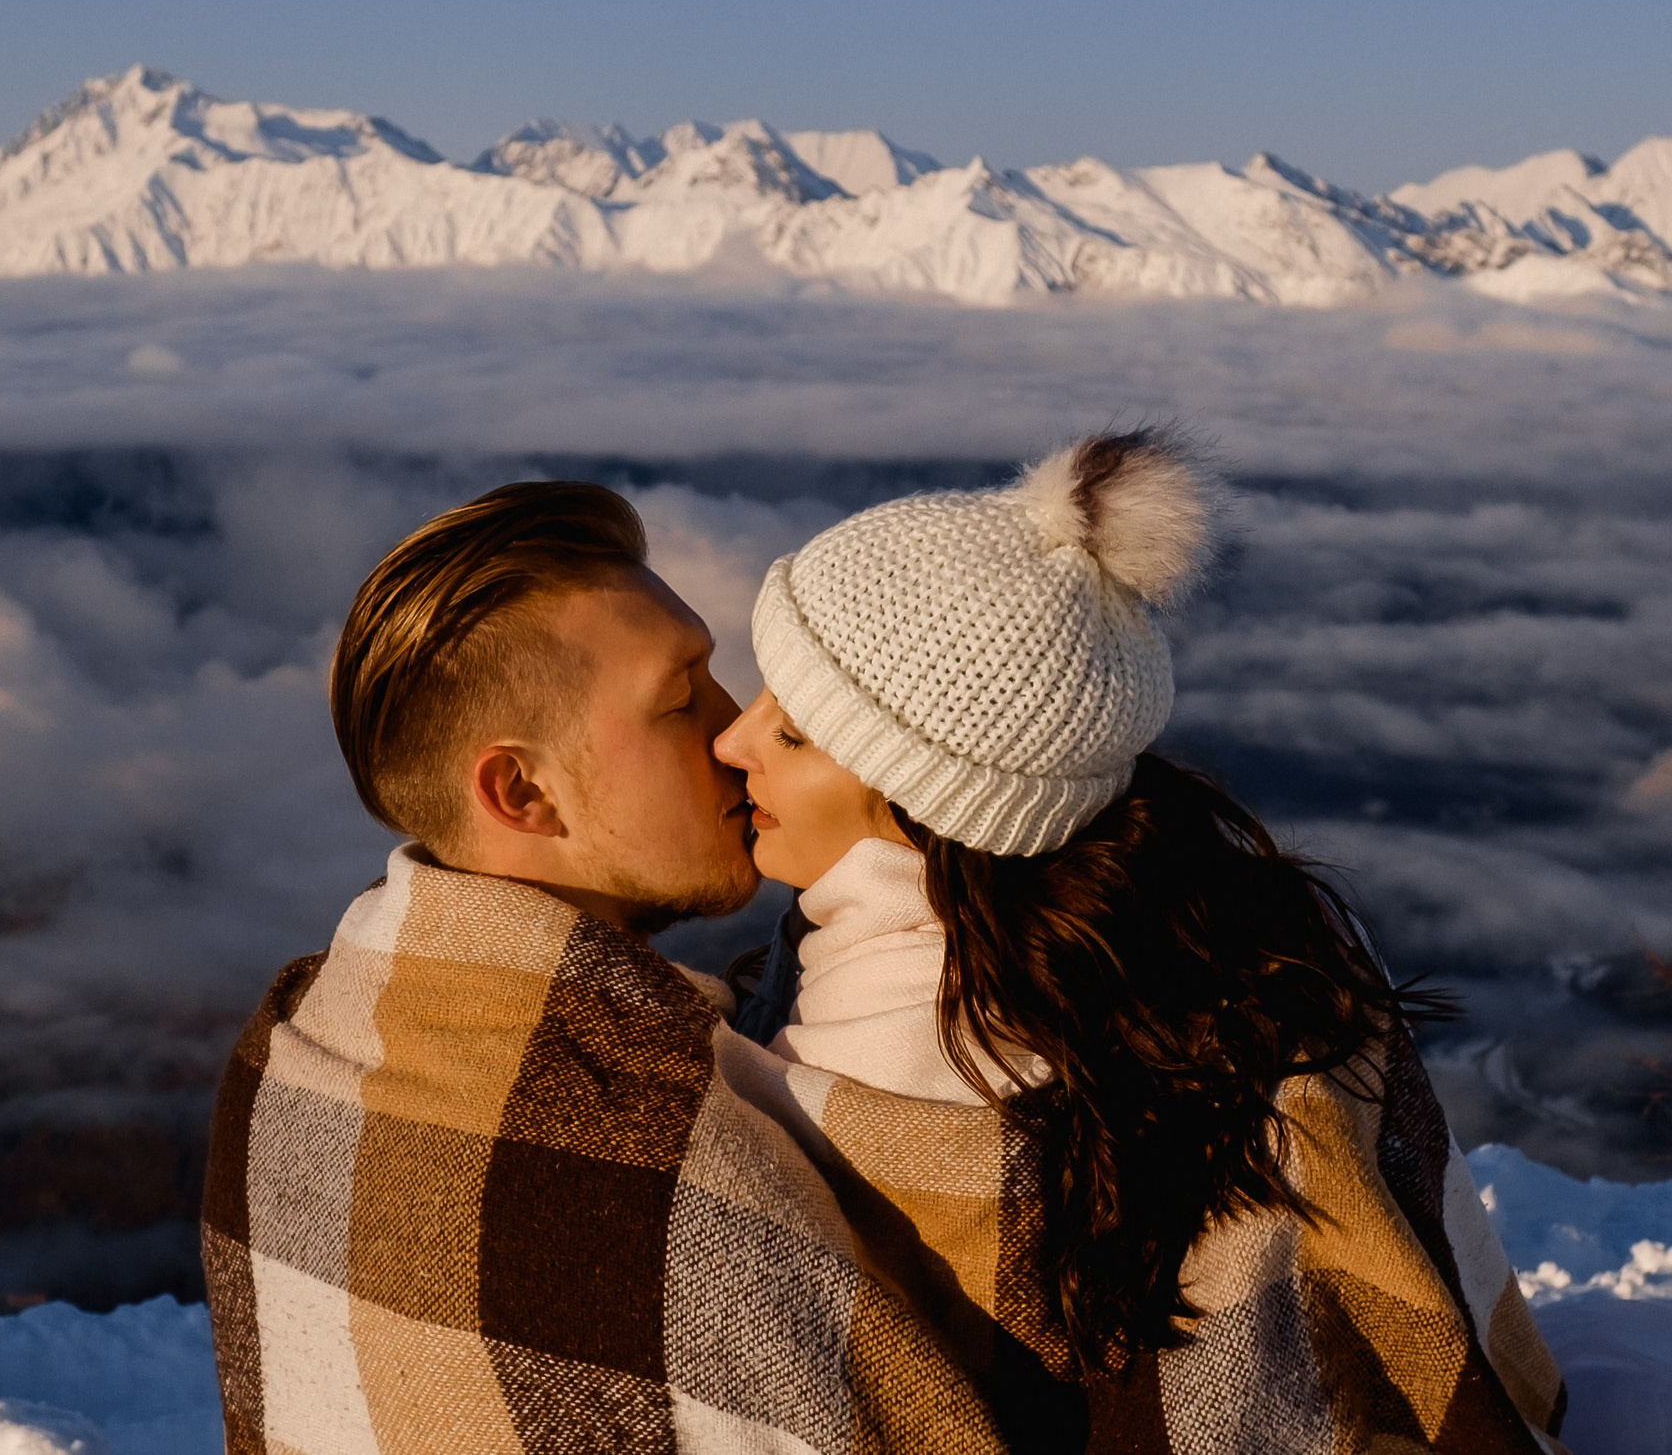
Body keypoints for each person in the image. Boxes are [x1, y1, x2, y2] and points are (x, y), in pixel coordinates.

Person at [713, 429, 1571, 1451]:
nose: (732, 741)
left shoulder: (897, 1038)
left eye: (793, 732)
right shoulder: (1169, 943)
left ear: (927, 798)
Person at [201, 481, 1021, 1454]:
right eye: (680, 700)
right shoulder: (676, 1178)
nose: (730, 733)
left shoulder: (288, 1056)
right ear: (521, 792)